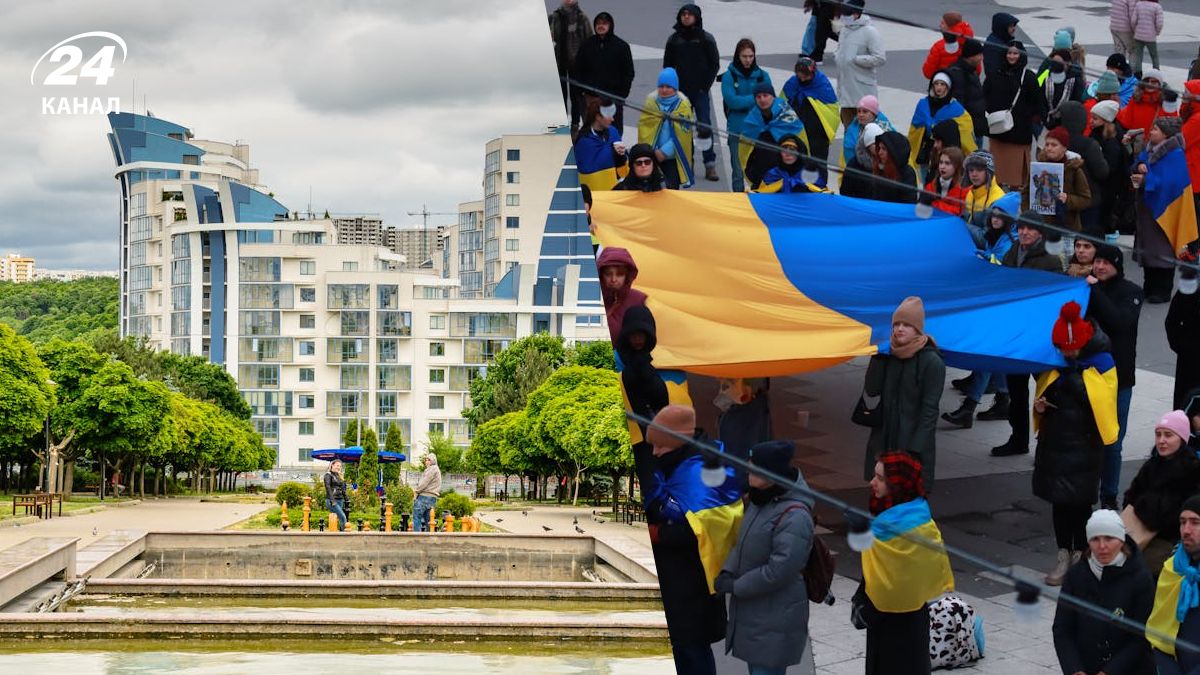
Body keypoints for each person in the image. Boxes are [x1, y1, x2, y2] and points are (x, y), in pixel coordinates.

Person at [641, 404, 742, 675]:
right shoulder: (683, 461)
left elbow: (700, 529)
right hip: (679, 582)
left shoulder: (701, 472)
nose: (655, 453)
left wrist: (657, 533)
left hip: (693, 584)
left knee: (692, 651)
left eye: (660, 446)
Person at [1034, 300, 1119, 585]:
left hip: (1085, 447)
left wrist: (1073, 381)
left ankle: (1083, 556)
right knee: (1059, 503)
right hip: (1056, 444)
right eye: (1062, 348)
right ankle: (1062, 554)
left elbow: (1104, 401)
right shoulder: (1058, 361)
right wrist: (1041, 405)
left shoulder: (1102, 362)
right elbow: (1045, 389)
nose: (1066, 353)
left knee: (1081, 505)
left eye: (1070, 348)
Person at [715, 440, 814, 675]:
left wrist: (737, 586)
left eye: (754, 466)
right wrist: (727, 571)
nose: (748, 469)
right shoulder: (762, 500)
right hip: (758, 612)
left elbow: (779, 570)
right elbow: (743, 541)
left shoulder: (795, 515)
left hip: (776, 615)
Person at [854, 451, 955, 675]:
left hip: (901, 624)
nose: (872, 483)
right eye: (874, 476)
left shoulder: (918, 526)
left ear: (897, 485)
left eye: (880, 478)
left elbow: (899, 581)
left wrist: (869, 606)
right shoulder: (892, 514)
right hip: (890, 621)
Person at [993, 213, 1066, 458]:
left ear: (1040, 233)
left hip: (1039, 336)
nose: (1024, 233)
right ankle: (1018, 438)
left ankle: (1047, 442)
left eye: (1030, 229)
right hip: (1016, 334)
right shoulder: (1013, 252)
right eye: (1021, 228)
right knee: (1016, 390)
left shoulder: (1050, 260)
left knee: (1046, 390)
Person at [944, 200, 1020, 428]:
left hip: (1001, 306)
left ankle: (970, 406)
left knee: (987, 354)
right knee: (994, 355)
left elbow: (1000, 263)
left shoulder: (1009, 241)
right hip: (994, 303)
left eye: (1000, 216)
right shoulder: (995, 236)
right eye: (993, 215)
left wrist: (983, 258)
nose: (995, 219)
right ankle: (1003, 399)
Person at [1052, 509, 1155, 674]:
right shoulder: (1076, 576)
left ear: (1121, 540)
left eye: (1109, 538)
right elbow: (1062, 629)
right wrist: (1074, 669)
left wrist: (1109, 671)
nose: (1102, 546)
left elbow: (1141, 637)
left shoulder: (1140, 579)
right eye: (1095, 539)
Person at [863, 297, 945, 487]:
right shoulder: (888, 355)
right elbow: (871, 390)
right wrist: (877, 357)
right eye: (896, 324)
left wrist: (913, 450)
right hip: (884, 440)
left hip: (910, 445)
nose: (899, 329)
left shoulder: (932, 362)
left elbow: (929, 411)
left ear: (917, 329)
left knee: (907, 502)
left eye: (906, 325)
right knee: (881, 498)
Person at [1088, 244, 1144, 511]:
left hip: (1119, 379)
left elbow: (1119, 322)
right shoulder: (1087, 288)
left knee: (1112, 442)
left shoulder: (1131, 292)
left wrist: (1095, 291)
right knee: (1086, 439)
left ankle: (1109, 495)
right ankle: (1085, 491)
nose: (1099, 267)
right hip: (1089, 376)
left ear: (1117, 266)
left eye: (1105, 263)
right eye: (1097, 261)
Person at [1124, 411, 1200, 574]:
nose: (1161, 441)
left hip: (1170, 540)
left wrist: (1144, 506)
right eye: (1158, 435)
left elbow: (1173, 515)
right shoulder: (1152, 465)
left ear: (1181, 438)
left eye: (1168, 435)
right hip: (1141, 531)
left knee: (1141, 565)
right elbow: (1130, 497)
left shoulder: (1192, 470)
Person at [1132, 116, 1198, 303]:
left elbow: (1172, 183)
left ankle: (1162, 290)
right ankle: (1149, 287)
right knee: (1149, 251)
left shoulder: (1175, 155)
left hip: (1164, 211)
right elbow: (1138, 163)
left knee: (1162, 250)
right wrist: (1138, 165)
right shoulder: (1149, 149)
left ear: (1166, 134)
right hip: (1148, 209)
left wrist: (1146, 181)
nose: (1150, 131)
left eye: (1155, 129)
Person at [663, 4, 720, 182]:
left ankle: (710, 164)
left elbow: (714, 64)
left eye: (689, 14)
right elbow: (668, 66)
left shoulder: (706, 39)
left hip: (700, 91)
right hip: (680, 93)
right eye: (683, 14)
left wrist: (705, 86)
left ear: (697, 17)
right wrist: (672, 88)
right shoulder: (674, 40)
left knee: (704, 126)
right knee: (683, 128)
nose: (686, 17)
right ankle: (688, 163)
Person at [1146, 494, 1200, 672]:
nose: (1186, 530)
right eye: (1182, 522)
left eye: (1195, 522)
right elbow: (1158, 633)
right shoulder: (1171, 569)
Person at [984, 40, 1041, 191]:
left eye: (1015, 53)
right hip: (998, 132)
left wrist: (1025, 116)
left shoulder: (1028, 77)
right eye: (1009, 52)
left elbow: (1036, 101)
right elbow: (985, 95)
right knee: (997, 174)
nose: (1012, 56)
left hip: (1019, 134)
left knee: (1017, 178)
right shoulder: (995, 74)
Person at [721, 39, 772, 193]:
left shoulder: (763, 76)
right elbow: (732, 102)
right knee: (738, 172)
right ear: (738, 55)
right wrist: (756, 98)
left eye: (751, 56)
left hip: (759, 130)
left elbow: (770, 100)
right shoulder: (729, 76)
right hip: (738, 130)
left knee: (761, 171)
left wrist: (753, 100)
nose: (748, 60)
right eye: (744, 56)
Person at [574, 11, 635, 132]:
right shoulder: (586, 45)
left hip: (613, 97)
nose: (601, 26)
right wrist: (580, 92)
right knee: (591, 130)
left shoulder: (622, 46)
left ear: (610, 25)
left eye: (604, 23)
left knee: (614, 130)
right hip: (590, 98)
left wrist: (622, 94)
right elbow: (578, 70)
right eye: (598, 23)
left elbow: (629, 72)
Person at [908, 72, 976, 179]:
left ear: (948, 87)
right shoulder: (923, 104)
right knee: (927, 182)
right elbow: (914, 130)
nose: (939, 87)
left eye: (943, 84)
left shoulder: (956, 109)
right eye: (936, 83)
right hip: (926, 152)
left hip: (947, 155)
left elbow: (966, 134)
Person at [739, 84, 805, 191]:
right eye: (758, 97)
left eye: (765, 95)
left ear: (773, 96)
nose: (762, 99)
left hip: (786, 179)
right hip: (760, 179)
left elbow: (802, 145)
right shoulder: (751, 120)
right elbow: (744, 151)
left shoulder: (788, 116)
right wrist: (750, 174)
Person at [638, 68, 695, 190]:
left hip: (671, 159)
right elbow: (645, 128)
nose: (664, 90)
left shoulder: (683, 106)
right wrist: (651, 151)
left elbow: (682, 136)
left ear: (675, 88)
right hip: (651, 157)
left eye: (668, 87)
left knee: (671, 190)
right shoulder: (651, 103)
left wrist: (664, 152)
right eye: (661, 86)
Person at [834, 0, 886, 129]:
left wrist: (856, 59)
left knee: (865, 130)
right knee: (849, 131)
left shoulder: (870, 32)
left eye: (847, 14)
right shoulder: (845, 30)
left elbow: (880, 58)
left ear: (856, 14)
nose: (844, 18)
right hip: (845, 90)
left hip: (862, 91)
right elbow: (840, 49)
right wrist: (838, 56)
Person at [1060, 101, 1109, 237]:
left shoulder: (1056, 142)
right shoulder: (1089, 144)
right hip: (1087, 201)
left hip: (1062, 199)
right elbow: (1102, 172)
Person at [1033, 127, 1092, 235]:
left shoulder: (1074, 169)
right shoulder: (1038, 167)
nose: (1049, 148)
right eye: (1047, 144)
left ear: (1064, 148)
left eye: (1054, 145)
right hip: (1041, 226)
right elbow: (1026, 193)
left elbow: (1086, 199)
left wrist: (1068, 199)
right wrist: (1030, 214)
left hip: (1067, 226)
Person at [781, 57, 839, 167]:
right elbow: (781, 105)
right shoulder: (792, 83)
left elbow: (832, 110)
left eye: (805, 75)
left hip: (817, 136)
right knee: (796, 167)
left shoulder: (822, 84)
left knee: (818, 167)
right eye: (799, 75)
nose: (802, 79)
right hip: (796, 133)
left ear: (813, 73)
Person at [1090, 99, 1134, 238]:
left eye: (1095, 118)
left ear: (1105, 120)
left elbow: (1111, 166)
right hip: (1109, 187)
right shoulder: (1107, 134)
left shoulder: (1110, 140)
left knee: (1102, 219)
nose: (1091, 121)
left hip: (1108, 188)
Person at [548, 0, 592, 131]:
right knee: (560, 96)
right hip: (559, 62)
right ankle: (562, 125)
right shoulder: (554, 17)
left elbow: (589, 40)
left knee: (576, 96)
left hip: (576, 65)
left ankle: (575, 125)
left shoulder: (582, 18)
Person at [574, 97, 627, 192]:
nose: (612, 119)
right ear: (598, 117)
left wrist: (621, 155)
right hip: (596, 194)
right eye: (609, 115)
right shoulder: (583, 142)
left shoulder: (613, 132)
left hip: (616, 189)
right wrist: (612, 152)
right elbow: (586, 171)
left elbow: (622, 165)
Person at [596, 246, 646, 344]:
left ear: (627, 276)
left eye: (619, 274)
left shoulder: (639, 300)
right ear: (601, 275)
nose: (613, 279)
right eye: (608, 274)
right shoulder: (592, 299)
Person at [1167, 259, 1200, 408]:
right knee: (1186, 409)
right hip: (1191, 361)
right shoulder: (1190, 290)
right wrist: (1183, 347)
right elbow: (1172, 321)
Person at [945, 39, 987, 143]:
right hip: (967, 133)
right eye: (979, 54)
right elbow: (958, 107)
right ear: (970, 56)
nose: (981, 58)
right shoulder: (958, 74)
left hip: (976, 130)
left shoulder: (971, 71)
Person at [757, 135, 827, 194]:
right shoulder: (772, 174)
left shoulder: (809, 173)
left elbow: (822, 195)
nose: (788, 154)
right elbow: (761, 195)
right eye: (784, 150)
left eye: (792, 149)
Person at [1118, 69, 1173, 140]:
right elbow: (1127, 122)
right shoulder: (1135, 99)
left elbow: (1172, 126)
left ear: (1159, 84)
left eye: (1153, 82)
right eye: (1146, 81)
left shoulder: (1165, 102)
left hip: (1156, 145)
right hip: (1137, 142)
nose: (1149, 84)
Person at [866, 131, 919, 204]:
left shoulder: (907, 173)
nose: (879, 152)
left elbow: (909, 203)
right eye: (879, 148)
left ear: (894, 152)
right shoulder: (879, 169)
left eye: (884, 149)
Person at [922, 12, 978, 80]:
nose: (940, 25)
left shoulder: (939, 47)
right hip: (967, 84)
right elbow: (977, 70)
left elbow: (928, 72)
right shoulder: (972, 45)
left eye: (943, 23)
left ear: (950, 26)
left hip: (945, 84)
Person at [841, 95, 892, 169]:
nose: (861, 115)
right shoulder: (853, 129)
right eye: (859, 111)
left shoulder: (884, 128)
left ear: (874, 114)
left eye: (865, 111)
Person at [1041, 49, 1086, 131]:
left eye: (1058, 62)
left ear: (1068, 63)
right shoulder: (1046, 76)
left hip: (1067, 125)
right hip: (1048, 123)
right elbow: (1040, 97)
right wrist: (1045, 119)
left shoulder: (1075, 80)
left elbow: (1077, 103)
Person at [962, 151, 1007, 229]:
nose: (974, 174)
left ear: (988, 172)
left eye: (979, 170)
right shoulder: (969, 193)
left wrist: (962, 226)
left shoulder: (998, 199)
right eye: (971, 170)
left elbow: (987, 237)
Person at [838, 121, 883, 199]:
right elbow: (845, 192)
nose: (878, 148)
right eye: (874, 144)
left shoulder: (887, 161)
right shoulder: (854, 164)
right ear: (867, 144)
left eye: (881, 144)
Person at [923, 147, 967, 216]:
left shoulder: (964, 190)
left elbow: (959, 212)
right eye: (941, 162)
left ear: (957, 166)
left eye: (947, 163)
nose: (942, 167)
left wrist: (934, 204)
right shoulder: (930, 186)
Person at [1131, 0, 1164, 73]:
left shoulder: (1138, 4)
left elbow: (1133, 21)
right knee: (1154, 56)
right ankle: (1156, 72)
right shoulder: (1157, 7)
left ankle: (1138, 73)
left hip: (1139, 35)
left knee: (1138, 56)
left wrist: (1135, 30)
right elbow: (1159, 23)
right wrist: (1157, 32)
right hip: (1150, 36)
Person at [413, 454, 441, 532]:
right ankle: (429, 539)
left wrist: (416, 491)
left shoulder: (432, 469)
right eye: (426, 460)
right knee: (429, 520)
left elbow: (424, 483)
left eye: (429, 460)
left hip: (425, 496)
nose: (426, 462)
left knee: (417, 516)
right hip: (432, 498)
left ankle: (416, 538)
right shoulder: (436, 469)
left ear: (433, 461)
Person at [323, 460, 348, 531]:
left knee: (339, 518)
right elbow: (328, 488)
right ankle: (345, 535)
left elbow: (343, 489)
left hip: (340, 499)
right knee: (343, 517)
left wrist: (346, 499)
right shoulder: (328, 475)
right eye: (337, 465)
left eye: (340, 466)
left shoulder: (338, 475)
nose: (339, 467)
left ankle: (338, 534)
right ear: (332, 465)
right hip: (332, 501)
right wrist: (332, 500)